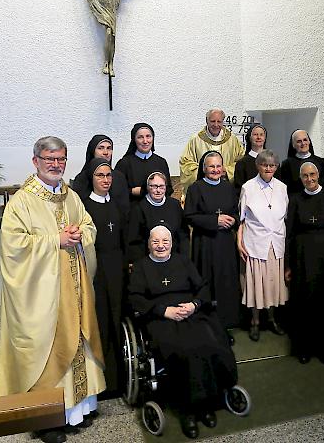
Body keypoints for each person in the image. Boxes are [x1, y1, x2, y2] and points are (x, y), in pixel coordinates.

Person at [0, 136, 105, 443]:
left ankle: (80, 407)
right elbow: (13, 246)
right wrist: (54, 241)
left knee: (78, 340)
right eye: (49, 160)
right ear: (36, 162)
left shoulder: (71, 196)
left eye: (61, 160)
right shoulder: (22, 202)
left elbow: (89, 225)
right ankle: (48, 418)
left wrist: (79, 233)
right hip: (44, 296)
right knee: (48, 345)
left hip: (75, 288)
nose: (56, 165)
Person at [128, 226, 238, 439]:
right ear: (149, 243)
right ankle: (188, 410)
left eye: (165, 241)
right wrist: (164, 311)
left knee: (211, 342)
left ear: (171, 243)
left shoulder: (183, 261)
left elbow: (202, 287)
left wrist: (195, 305)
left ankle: (208, 404)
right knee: (185, 351)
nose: (161, 246)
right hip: (161, 319)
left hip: (190, 313)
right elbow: (135, 298)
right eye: (156, 241)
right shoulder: (141, 267)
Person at [285, 162, 324, 365]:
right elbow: (289, 234)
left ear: (318, 175)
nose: (309, 179)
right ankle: (304, 347)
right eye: (305, 176)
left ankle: (323, 347)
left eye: (312, 175)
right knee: (303, 304)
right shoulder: (295, 200)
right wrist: (287, 265)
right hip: (302, 257)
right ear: (300, 178)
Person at [81, 157, 127, 396]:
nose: (106, 180)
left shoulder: (118, 204)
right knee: (101, 322)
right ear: (92, 178)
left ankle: (120, 379)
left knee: (118, 319)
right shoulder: (85, 206)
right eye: (100, 176)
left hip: (118, 269)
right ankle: (102, 381)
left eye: (109, 175)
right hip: (97, 273)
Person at [184, 151, 240, 341]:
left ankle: (224, 327)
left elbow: (236, 213)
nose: (215, 170)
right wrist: (214, 220)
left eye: (218, 166)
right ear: (204, 168)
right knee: (207, 285)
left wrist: (232, 220)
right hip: (205, 244)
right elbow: (190, 216)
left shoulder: (228, 187)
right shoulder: (195, 188)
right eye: (211, 166)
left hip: (225, 244)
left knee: (225, 285)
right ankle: (207, 328)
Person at [70, 0, 152, 77]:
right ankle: (106, 63)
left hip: (112, 6)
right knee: (108, 33)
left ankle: (111, 64)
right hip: (103, 6)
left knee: (113, 36)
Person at [237, 150, 289, 341]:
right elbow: (241, 219)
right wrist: (239, 241)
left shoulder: (282, 188)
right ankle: (255, 321)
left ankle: (272, 319)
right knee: (256, 284)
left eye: (272, 165)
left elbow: (285, 216)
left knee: (273, 283)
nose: (268, 168)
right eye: (264, 165)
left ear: (276, 167)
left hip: (275, 243)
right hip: (255, 242)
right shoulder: (248, 187)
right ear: (257, 166)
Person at [127, 171, 189, 263]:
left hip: (175, 259)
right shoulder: (139, 209)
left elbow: (183, 234)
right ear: (148, 187)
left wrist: (183, 258)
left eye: (161, 186)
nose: (158, 190)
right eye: (154, 186)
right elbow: (134, 242)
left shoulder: (174, 205)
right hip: (148, 260)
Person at [179, 108, 245, 191]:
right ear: (207, 121)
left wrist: (227, 170)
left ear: (223, 122)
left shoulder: (232, 139)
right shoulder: (196, 140)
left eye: (219, 121)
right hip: (203, 187)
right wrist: (204, 171)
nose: (216, 125)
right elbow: (186, 164)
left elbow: (241, 162)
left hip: (225, 186)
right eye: (213, 121)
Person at [72, 134, 129, 216]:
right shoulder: (82, 179)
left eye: (109, 148)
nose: (106, 152)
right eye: (100, 148)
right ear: (92, 151)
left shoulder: (119, 177)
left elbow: (125, 209)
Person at [115, 123, 173, 203]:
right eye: (140, 137)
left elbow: (169, 189)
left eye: (148, 136)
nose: (145, 141)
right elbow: (116, 191)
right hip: (133, 210)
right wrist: (132, 191)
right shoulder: (124, 163)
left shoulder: (161, 162)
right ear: (134, 140)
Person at [278, 129, 324, 194]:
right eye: (299, 141)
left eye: (305, 140)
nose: (303, 143)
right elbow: (285, 188)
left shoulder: (320, 161)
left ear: (309, 141)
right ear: (293, 145)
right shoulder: (287, 164)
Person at [233, 123, 268, 194]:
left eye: (261, 135)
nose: (259, 137)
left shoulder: (272, 161)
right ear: (249, 137)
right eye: (255, 134)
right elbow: (239, 190)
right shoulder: (242, 163)